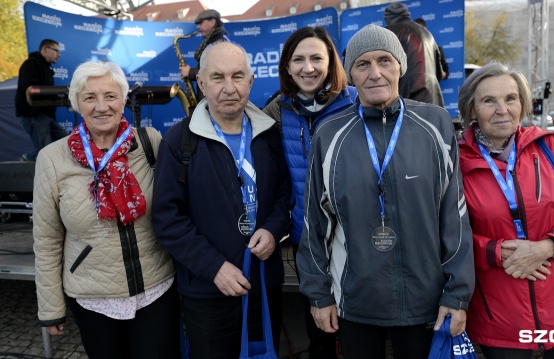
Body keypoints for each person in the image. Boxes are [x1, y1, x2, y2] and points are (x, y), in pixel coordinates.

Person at [297, 24, 474, 359]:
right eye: (363, 64)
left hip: (426, 302)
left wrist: (457, 294)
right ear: (350, 74)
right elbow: (314, 225)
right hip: (355, 302)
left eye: (384, 61)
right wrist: (319, 296)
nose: (375, 73)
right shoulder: (329, 133)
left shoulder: (435, 124)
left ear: (400, 67)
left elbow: (455, 216)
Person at [153, 41, 291, 358]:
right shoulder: (179, 140)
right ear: (201, 83)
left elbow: (284, 195)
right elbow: (167, 219)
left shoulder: (269, 134)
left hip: (263, 284)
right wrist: (215, 268)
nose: (229, 88)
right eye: (217, 77)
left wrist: (272, 229)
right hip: (208, 291)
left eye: (237, 76)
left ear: (251, 81)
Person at [33, 60, 179, 358]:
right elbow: (46, 240)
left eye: (110, 96)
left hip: (156, 289)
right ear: (76, 103)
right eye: (90, 97)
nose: (102, 106)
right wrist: (51, 308)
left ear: (123, 100)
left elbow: (178, 209)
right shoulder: (51, 159)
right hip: (93, 298)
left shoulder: (150, 142)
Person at [457, 62, 554, 358]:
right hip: (499, 311)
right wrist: (495, 251)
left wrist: (548, 246)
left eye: (510, 98)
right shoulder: (455, 162)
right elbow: (445, 233)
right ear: (472, 110)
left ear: (522, 104)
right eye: (488, 101)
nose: (502, 109)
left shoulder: (552, 148)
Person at [262, 26, 357, 359]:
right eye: (298, 59)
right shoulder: (276, 112)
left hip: (357, 240)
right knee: (318, 330)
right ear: (287, 67)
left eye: (317, 58)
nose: (308, 67)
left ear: (331, 62)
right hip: (309, 243)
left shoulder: (355, 103)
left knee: (358, 332)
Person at [15, 39, 68, 161]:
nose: (59, 54)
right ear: (45, 49)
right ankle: (27, 158)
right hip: (34, 116)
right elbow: (29, 89)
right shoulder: (30, 64)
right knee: (46, 151)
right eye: (56, 50)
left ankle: (29, 157)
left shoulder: (47, 69)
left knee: (67, 141)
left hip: (47, 116)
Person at [384, 2, 444, 107]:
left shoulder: (389, 33)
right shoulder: (428, 34)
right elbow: (439, 72)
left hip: (408, 94)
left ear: (388, 18)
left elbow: (383, 68)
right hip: (433, 94)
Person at [179, 9, 229, 100]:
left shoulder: (219, 44)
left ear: (212, 22)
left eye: (201, 23)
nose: (198, 27)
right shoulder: (214, 42)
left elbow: (216, 72)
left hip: (215, 98)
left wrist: (190, 72)